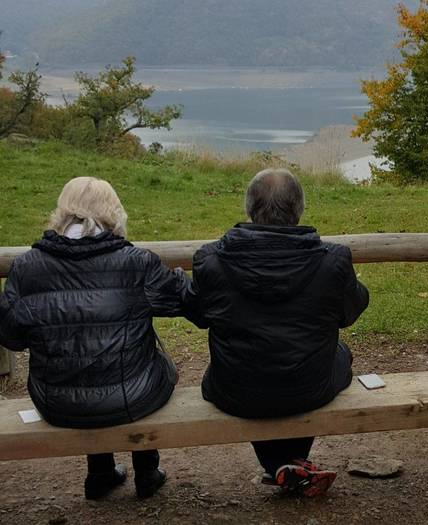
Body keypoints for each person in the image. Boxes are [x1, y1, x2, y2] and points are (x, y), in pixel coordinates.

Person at [0, 177, 190, 500]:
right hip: (131, 397)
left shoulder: (27, 267)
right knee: (154, 364)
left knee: (91, 370)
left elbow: (12, 336)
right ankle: (147, 470)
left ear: (62, 212)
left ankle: (100, 474)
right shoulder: (136, 263)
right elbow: (184, 300)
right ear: (113, 212)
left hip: (55, 400)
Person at [186, 168, 369, 497]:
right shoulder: (333, 261)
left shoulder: (211, 261)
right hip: (308, 385)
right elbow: (349, 313)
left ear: (250, 210)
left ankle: (279, 466)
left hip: (234, 388)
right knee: (336, 355)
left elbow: (199, 314)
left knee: (253, 374)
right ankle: (289, 463)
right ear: (298, 210)